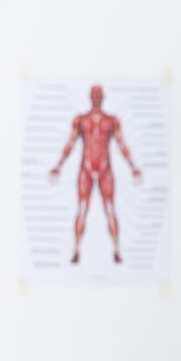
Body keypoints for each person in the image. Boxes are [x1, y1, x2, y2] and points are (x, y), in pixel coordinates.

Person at [49, 84, 142, 264]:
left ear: (103, 97)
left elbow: (122, 144)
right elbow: (71, 143)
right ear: (91, 97)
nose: (97, 98)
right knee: (82, 210)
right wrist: (58, 165)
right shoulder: (81, 120)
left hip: (105, 169)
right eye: (94, 95)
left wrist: (133, 166)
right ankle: (76, 249)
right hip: (86, 168)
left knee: (109, 209)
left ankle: (117, 249)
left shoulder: (111, 121)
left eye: (99, 95)